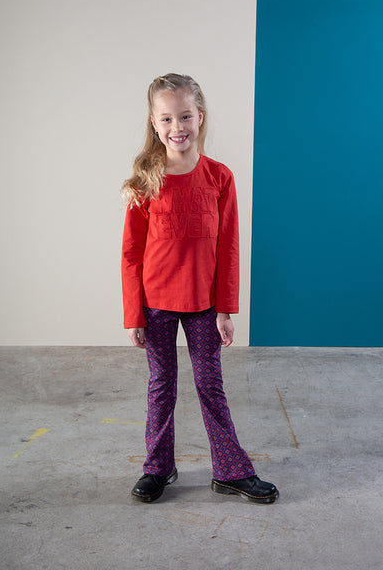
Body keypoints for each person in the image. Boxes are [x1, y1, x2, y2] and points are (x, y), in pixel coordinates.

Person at [121, 73, 279, 504]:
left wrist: (226, 308)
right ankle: (158, 467)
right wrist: (134, 314)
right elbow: (131, 254)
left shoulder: (219, 177)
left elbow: (229, 248)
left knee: (211, 386)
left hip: (204, 305)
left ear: (200, 117)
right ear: (154, 123)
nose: (178, 127)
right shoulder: (146, 180)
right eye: (167, 118)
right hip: (155, 304)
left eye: (185, 116)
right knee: (161, 386)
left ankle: (230, 471)